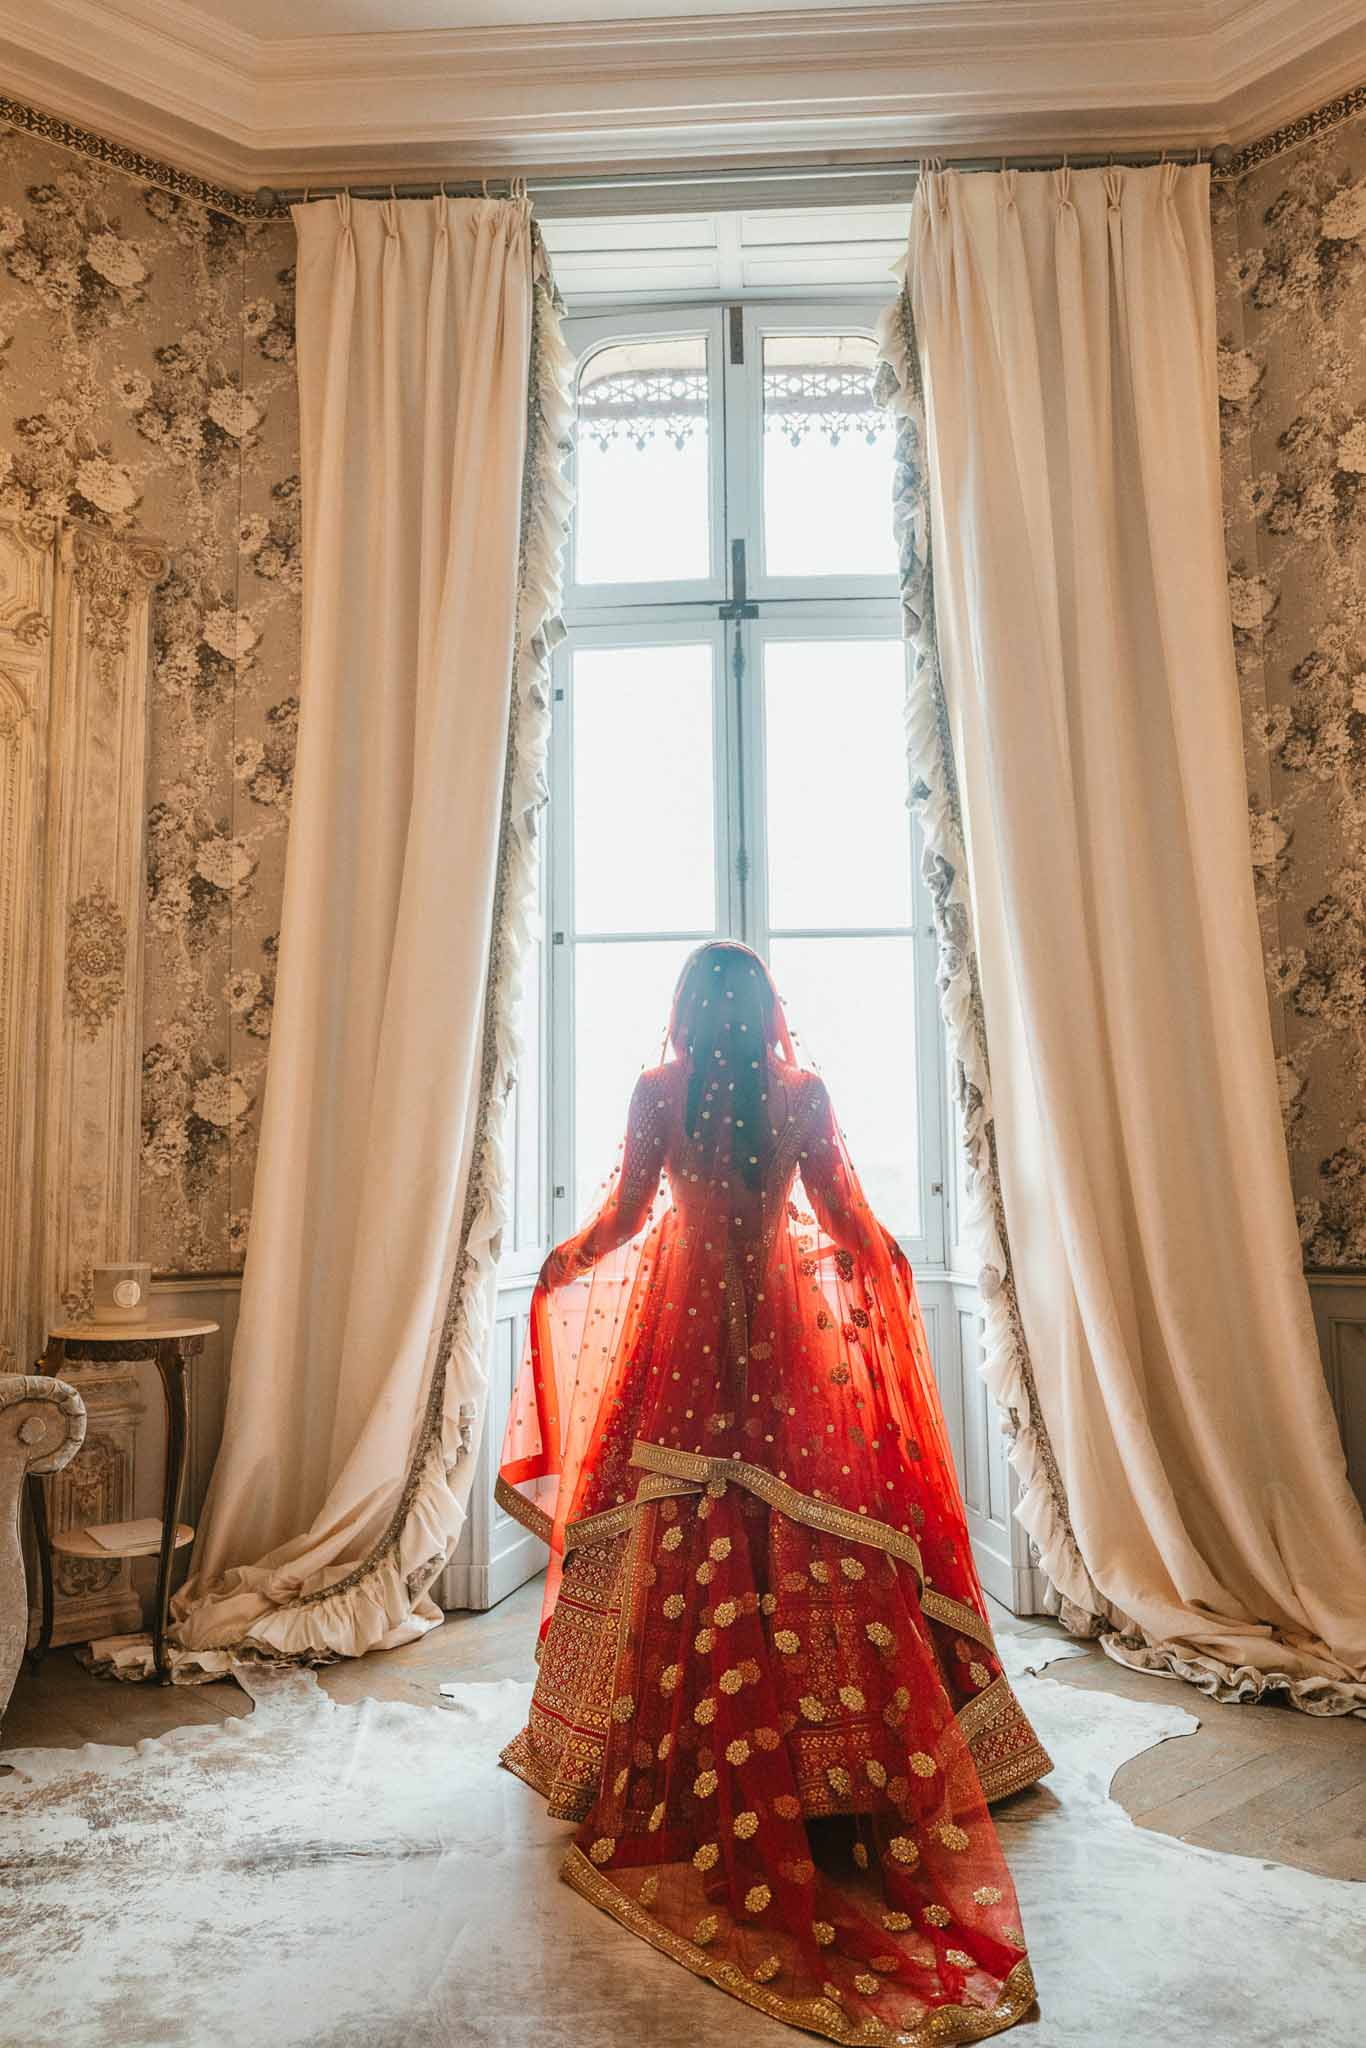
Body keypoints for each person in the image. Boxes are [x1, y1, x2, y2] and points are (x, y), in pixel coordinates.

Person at [498, 940, 1047, 2042]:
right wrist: (882, 1266)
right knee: (812, 1516)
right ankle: (836, 1764)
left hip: (683, 1321)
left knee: (678, 1519)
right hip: (788, 1325)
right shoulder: (802, 1092)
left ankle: (651, 1754)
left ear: (688, 1011)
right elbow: (842, 1216)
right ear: (766, 1012)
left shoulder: (660, 1089)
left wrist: (563, 1258)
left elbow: (625, 1218)